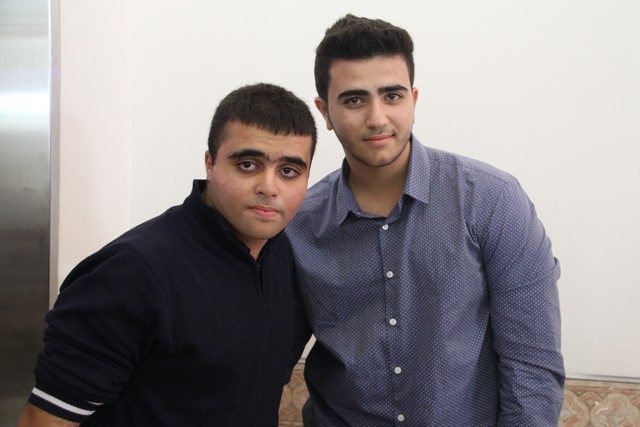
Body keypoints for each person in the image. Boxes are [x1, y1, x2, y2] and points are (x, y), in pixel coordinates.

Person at [287, 14, 565, 426]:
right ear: (325, 112)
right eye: (354, 100)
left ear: (414, 100)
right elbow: (262, 355)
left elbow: (532, 368)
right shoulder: (297, 225)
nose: (377, 117)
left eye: (392, 96)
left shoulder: (492, 201)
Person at [18, 83, 316, 426]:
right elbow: (42, 420)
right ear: (210, 163)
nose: (269, 187)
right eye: (248, 165)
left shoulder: (283, 257)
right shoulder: (132, 271)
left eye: (289, 171)